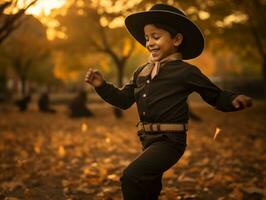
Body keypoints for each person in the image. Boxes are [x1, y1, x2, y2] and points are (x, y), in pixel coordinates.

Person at [85, 4, 252, 200]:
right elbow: (123, 100)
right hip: (147, 140)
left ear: (176, 39)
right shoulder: (141, 72)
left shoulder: (185, 71)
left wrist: (233, 100)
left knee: (132, 176)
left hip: (170, 142)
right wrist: (101, 85)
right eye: (147, 38)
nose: (150, 43)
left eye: (156, 37)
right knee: (149, 188)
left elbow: (214, 95)